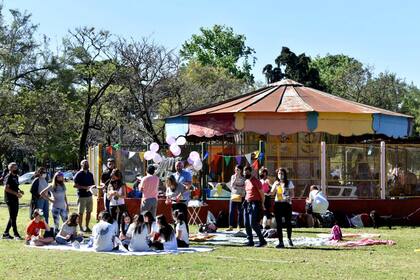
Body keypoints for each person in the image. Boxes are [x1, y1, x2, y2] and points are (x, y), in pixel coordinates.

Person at [243, 166, 267, 247]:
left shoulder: (256, 181)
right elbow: (247, 193)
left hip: (255, 203)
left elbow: (262, 194)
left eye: (247, 172)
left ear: (251, 172)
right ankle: (250, 240)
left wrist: (262, 204)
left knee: (253, 223)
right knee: (246, 223)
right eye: (244, 172)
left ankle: (262, 240)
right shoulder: (246, 181)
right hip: (247, 203)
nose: (245, 174)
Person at [271, 168, 295, 248]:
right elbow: (272, 193)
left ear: (285, 174)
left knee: (288, 222)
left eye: (282, 173)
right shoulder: (276, 183)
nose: (280, 175)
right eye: (279, 174)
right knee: (279, 224)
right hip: (278, 204)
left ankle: (289, 238)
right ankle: (281, 242)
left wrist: (288, 197)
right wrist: (267, 188)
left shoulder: (289, 183)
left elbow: (293, 194)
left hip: (287, 204)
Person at [2, 162, 24, 240]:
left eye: (16, 167)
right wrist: (16, 193)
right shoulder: (8, 177)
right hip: (9, 199)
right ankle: (16, 234)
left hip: (15, 198)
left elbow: (15, 186)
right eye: (14, 167)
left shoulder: (16, 177)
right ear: (10, 169)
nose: (16, 168)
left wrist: (19, 191)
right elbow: (6, 188)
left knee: (13, 217)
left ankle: (6, 233)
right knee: (13, 217)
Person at [74, 160, 95, 232]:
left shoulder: (90, 174)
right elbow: (75, 185)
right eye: (84, 163)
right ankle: (80, 227)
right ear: (81, 165)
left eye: (87, 163)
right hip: (82, 196)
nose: (86, 164)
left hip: (89, 196)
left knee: (89, 212)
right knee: (81, 213)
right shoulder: (78, 174)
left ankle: (87, 226)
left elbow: (93, 184)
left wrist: (93, 188)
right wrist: (85, 187)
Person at [226, 165, 246, 231]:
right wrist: (236, 179)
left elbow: (244, 187)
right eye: (235, 169)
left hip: (241, 196)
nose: (236, 171)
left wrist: (237, 187)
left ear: (241, 171)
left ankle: (239, 226)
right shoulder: (233, 177)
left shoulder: (243, 178)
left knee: (240, 212)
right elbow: (232, 185)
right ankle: (230, 226)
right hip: (234, 195)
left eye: (237, 170)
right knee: (231, 211)